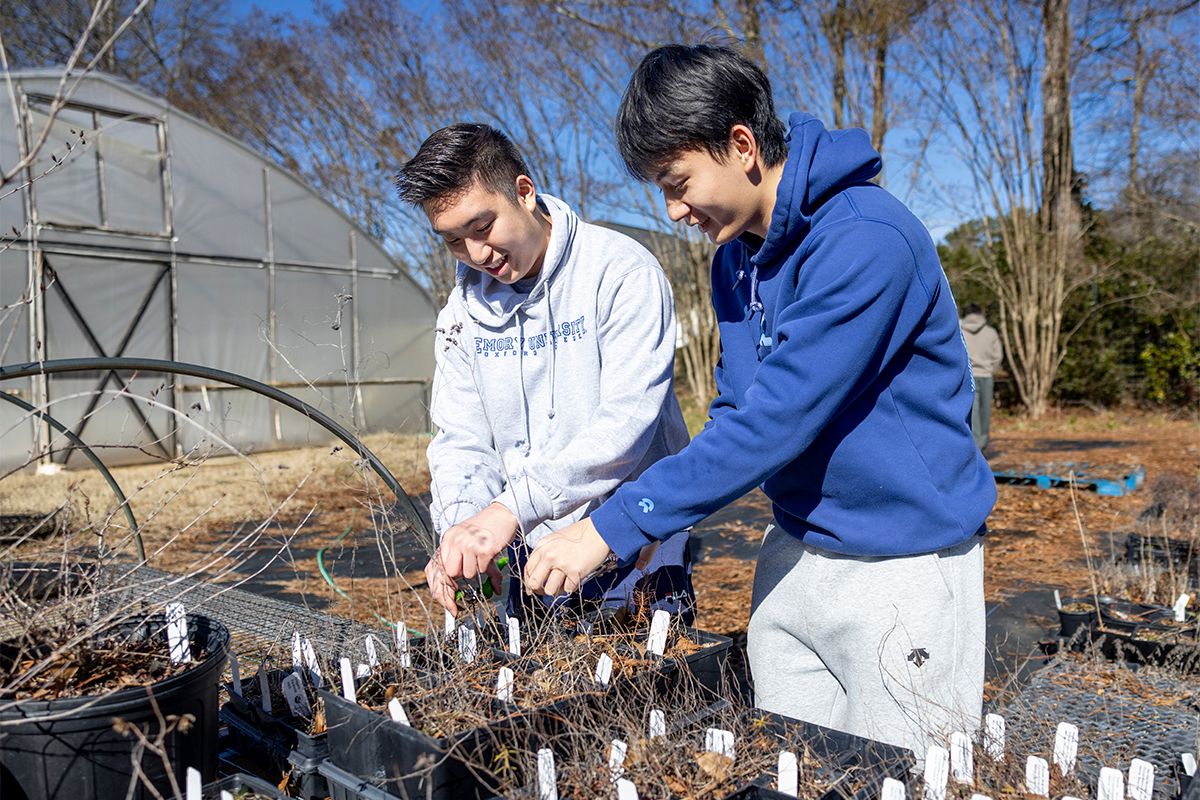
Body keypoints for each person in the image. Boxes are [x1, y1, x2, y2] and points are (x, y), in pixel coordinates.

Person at [522, 44, 996, 756]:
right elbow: (736, 409)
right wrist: (650, 522)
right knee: (793, 765)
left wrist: (613, 527)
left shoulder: (866, 238)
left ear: (741, 145)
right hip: (797, 549)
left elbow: (778, 419)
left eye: (678, 182)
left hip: (904, 561)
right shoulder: (736, 259)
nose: (674, 209)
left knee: (900, 770)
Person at [396, 123, 694, 625]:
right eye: (452, 241)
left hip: (632, 542)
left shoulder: (619, 274)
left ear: (524, 192)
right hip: (529, 553)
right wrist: (464, 528)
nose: (476, 254)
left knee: (646, 691)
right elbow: (462, 438)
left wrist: (507, 510)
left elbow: (625, 425)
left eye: (482, 226)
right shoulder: (461, 316)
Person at [959, 304, 1003, 452]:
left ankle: (974, 444)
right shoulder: (991, 332)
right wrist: (991, 369)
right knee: (985, 411)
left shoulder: (958, 329)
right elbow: (998, 356)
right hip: (986, 375)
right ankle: (982, 442)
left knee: (973, 411)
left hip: (967, 375)